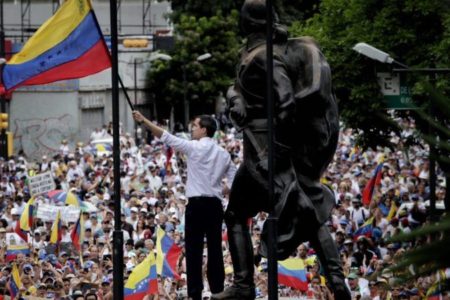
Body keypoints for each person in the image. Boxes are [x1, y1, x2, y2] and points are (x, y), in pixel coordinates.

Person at [212, 0, 350, 299]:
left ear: (249, 22)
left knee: (305, 212)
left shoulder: (267, 57)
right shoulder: (251, 53)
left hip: (271, 150)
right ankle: (244, 284)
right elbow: (238, 86)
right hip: (257, 150)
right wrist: (236, 99)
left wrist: (277, 153)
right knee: (237, 213)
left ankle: (338, 286)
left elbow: (286, 104)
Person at [132, 111, 237, 300]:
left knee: (194, 251)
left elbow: (165, 136)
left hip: (196, 205)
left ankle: (195, 294)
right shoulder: (223, 154)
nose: (192, 130)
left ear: (204, 130)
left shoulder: (194, 147)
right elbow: (234, 178)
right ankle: (218, 291)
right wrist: (224, 189)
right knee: (215, 250)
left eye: (195, 126)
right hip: (214, 205)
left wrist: (144, 120)